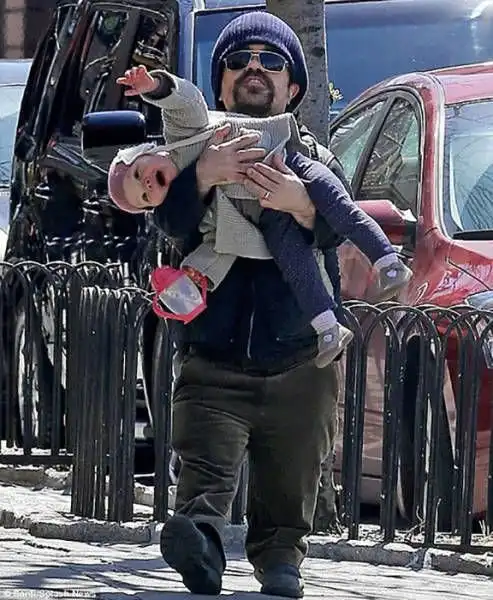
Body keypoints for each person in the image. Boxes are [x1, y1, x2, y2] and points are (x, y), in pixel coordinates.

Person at [141, 12, 411, 598]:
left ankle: (282, 560)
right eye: (239, 61)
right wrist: (202, 176)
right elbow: (168, 222)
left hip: (299, 359)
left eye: (271, 61)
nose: (254, 69)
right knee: (204, 470)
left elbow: (339, 226)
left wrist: (301, 204)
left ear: (293, 89)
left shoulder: (316, 158)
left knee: (292, 477)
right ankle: (201, 543)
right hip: (212, 354)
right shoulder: (196, 148)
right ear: (220, 86)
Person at [108, 65, 410, 366]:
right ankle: (328, 329)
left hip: (283, 159)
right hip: (264, 227)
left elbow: (186, 101)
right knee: (296, 264)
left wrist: (155, 86)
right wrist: (202, 176)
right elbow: (208, 242)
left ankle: (387, 261)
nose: (147, 184)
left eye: (138, 174)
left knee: (339, 210)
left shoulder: (184, 135)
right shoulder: (183, 204)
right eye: (144, 197)